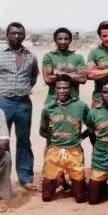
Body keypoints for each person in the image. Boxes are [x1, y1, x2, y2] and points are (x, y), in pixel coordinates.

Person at [0, 22, 39, 191]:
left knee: (24, 140)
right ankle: (2, 180)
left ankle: (25, 178)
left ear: (24, 35)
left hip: (24, 104)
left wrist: (22, 90)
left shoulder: (31, 56)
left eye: (20, 33)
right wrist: (1, 91)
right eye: (13, 33)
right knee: (2, 142)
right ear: (7, 35)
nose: (17, 36)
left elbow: (33, 78)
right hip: (4, 103)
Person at [42, 27, 87, 191]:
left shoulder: (77, 57)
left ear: (70, 40)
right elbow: (48, 79)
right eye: (59, 39)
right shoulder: (49, 57)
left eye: (66, 39)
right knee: (51, 142)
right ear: (55, 40)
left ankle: (73, 177)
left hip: (73, 104)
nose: (63, 42)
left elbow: (83, 78)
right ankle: (54, 177)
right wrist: (71, 74)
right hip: (53, 103)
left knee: (74, 142)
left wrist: (59, 72)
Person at [39, 75, 89, 203]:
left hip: (74, 151)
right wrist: (53, 141)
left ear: (70, 89)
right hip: (55, 151)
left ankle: (75, 180)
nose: (62, 91)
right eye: (59, 88)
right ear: (55, 89)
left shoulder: (81, 106)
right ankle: (58, 179)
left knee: (80, 198)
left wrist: (79, 138)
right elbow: (42, 130)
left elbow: (92, 127)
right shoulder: (48, 108)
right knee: (46, 197)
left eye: (65, 88)